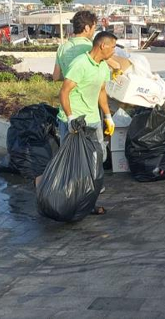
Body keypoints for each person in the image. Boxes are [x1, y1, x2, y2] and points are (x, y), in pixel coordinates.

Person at [54, 31, 118, 214]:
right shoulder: (80, 63)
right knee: (73, 165)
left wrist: (107, 116)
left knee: (96, 162)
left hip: (93, 120)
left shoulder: (103, 67)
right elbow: (64, 92)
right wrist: (70, 117)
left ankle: (86, 203)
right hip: (75, 121)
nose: (114, 51)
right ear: (102, 46)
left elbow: (101, 92)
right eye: (113, 46)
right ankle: (68, 204)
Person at [53, 11, 97, 81]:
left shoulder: (62, 48)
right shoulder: (91, 47)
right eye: (94, 28)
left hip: (69, 90)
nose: (94, 31)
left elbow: (56, 76)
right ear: (87, 28)